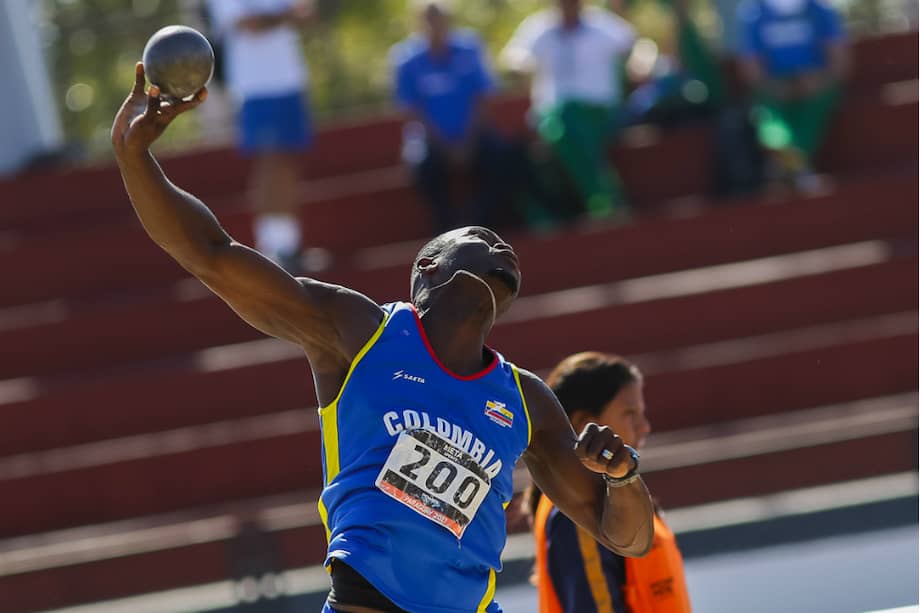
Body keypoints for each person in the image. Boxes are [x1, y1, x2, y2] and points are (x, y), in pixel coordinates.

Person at [111, 63, 654, 612]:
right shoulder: (358, 332)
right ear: (428, 270)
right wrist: (135, 158)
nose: (501, 246)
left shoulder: (525, 399)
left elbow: (625, 536)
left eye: (504, 245)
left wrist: (625, 476)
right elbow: (213, 256)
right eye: (480, 239)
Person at [526, 352, 691, 613]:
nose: (644, 426)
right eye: (629, 413)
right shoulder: (577, 512)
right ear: (585, 425)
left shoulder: (619, 497)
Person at [501, 0, 637, 221]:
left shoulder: (602, 24)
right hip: (551, 117)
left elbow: (632, 46)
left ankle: (592, 201)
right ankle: (602, 194)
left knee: (564, 121)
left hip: (598, 114)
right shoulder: (539, 28)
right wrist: (519, 67)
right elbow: (514, 58)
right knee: (563, 117)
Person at [205, 0, 315, 272]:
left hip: (290, 80)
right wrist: (286, 15)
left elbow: (305, 14)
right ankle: (271, 248)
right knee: (269, 162)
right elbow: (248, 24)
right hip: (255, 87)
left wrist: (285, 15)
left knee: (288, 161)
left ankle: (289, 246)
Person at [390, 0, 514, 233]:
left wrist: (467, 140)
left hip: (474, 133)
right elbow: (411, 111)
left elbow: (484, 98)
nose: (435, 27)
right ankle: (446, 229)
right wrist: (446, 147)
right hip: (431, 140)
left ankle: (484, 223)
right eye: (429, 21)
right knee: (423, 167)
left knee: (502, 157)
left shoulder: (470, 48)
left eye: (440, 20)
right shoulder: (405, 59)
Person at [735, 0, 849, 192]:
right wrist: (776, 86)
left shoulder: (820, 10)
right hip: (773, 90)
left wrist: (818, 80)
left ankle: (784, 169)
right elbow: (751, 67)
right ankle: (798, 171)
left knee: (819, 103)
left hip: (817, 88)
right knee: (767, 113)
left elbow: (841, 60)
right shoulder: (753, 15)